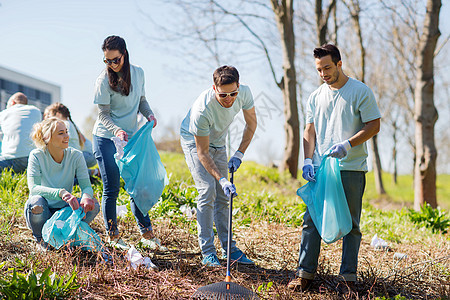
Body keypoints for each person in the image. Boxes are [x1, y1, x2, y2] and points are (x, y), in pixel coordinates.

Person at [288, 44, 381, 292]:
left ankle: (347, 279)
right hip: (320, 169)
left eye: (327, 67)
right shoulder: (315, 96)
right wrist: (307, 160)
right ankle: (304, 274)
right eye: (319, 69)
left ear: (339, 64)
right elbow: (310, 130)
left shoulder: (360, 91)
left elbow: (374, 125)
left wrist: (348, 144)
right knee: (311, 220)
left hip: (351, 167)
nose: (323, 74)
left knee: (351, 224)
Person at [180, 65, 257, 267]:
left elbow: (251, 124)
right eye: (224, 95)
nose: (229, 99)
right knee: (207, 191)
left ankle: (229, 249)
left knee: (224, 197)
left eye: (233, 93)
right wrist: (221, 179)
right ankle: (207, 252)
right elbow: (203, 152)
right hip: (194, 140)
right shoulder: (202, 110)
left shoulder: (244, 93)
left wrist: (239, 153)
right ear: (214, 89)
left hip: (218, 141)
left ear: (239, 86)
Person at [92, 35, 164, 251]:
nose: (112, 65)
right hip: (106, 138)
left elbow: (141, 101)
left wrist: (149, 115)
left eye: (116, 60)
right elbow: (103, 114)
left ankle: (147, 233)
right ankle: (112, 236)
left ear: (124, 54)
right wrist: (116, 130)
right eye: (107, 61)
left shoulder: (139, 73)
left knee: (138, 185)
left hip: (130, 139)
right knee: (111, 188)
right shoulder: (103, 81)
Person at [24, 117, 100, 251]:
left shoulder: (76, 155)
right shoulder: (36, 155)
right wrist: (60, 193)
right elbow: (34, 188)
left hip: (65, 209)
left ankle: (67, 235)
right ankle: (41, 240)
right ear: (48, 137)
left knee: (94, 205)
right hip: (43, 210)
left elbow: (86, 185)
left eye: (66, 131)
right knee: (35, 202)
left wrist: (86, 196)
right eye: (61, 133)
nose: (67, 136)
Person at [43, 102, 98, 175]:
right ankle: (92, 173)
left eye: (49, 115)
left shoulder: (64, 125)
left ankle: (93, 172)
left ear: (58, 114)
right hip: (85, 155)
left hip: (86, 156)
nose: (47, 118)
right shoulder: (68, 124)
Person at [0, 92, 42, 173]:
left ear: (12, 103)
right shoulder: (36, 111)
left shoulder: (4, 113)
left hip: (10, 159)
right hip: (32, 160)